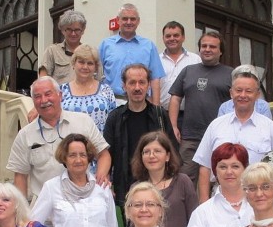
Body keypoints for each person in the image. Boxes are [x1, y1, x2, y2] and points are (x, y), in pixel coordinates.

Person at [7, 76, 111, 201]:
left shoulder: (83, 121)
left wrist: (101, 176)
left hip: (82, 204)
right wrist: (22, 214)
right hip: (45, 210)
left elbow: (103, 155)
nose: (44, 100)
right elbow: (20, 176)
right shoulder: (25, 135)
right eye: (37, 96)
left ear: (60, 95)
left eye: (48, 94)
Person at [192, 65, 273, 202]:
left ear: (257, 95)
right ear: (231, 93)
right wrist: (204, 202)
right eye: (238, 90)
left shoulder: (270, 127)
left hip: (259, 200)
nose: (243, 95)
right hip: (221, 200)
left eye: (248, 91)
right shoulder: (216, 125)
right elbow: (204, 167)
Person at [103, 64, 175, 209]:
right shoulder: (115, 118)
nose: (137, 87)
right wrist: (108, 183)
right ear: (124, 86)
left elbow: (172, 152)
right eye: (132, 82)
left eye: (142, 82)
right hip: (125, 188)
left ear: (148, 85)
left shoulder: (160, 115)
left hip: (158, 187)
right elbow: (106, 155)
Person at [168, 31, 233, 186]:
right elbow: (175, 98)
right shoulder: (188, 71)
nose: (207, 49)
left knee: (218, 180)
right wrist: (173, 125)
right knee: (184, 179)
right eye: (204, 46)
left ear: (221, 51)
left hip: (219, 137)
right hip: (190, 137)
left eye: (212, 46)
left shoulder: (231, 74)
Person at [98, 3, 165, 104]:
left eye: (132, 19)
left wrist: (156, 108)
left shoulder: (149, 46)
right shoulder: (105, 45)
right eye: (125, 18)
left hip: (142, 102)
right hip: (112, 102)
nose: (129, 22)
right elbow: (96, 75)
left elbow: (155, 78)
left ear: (138, 21)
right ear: (118, 20)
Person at [60, 44, 117, 131]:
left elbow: (114, 123)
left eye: (90, 63)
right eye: (81, 62)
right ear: (73, 64)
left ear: (96, 67)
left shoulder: (106, 90)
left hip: (99, 143)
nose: (85, 67)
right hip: (69, 143)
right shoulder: (62, 91)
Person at [158, 21, 201, 110]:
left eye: (176, 35)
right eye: (168, 36)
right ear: (163, 38)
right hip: (162, 113)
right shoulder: (156, 60)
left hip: (189, 113)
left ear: (183, 37)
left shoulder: (195, 60)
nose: (172, 38)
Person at [38, 9, 88, 85]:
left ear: (83, 30)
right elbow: (43, 81)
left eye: (77, 30)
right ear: (62, 31)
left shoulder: (89, 53)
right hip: (61, 96)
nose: (73, 34)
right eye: (69, 30)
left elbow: (98, 81)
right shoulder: (52, 51)